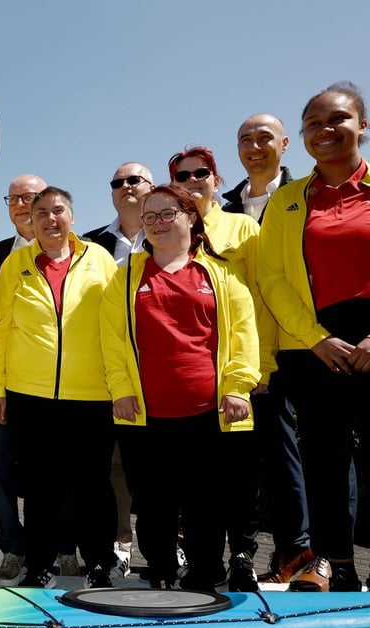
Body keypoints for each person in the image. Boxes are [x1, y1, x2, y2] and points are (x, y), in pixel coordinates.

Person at [101, 185, 259, 591]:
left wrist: (238, 386)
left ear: (190, 217)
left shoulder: (221, 273)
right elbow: (112, 339)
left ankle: (206, 576)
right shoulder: (125, 277)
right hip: (146, 416)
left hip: (209, 413)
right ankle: (161, 574)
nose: (157, 223)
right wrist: (121, 388)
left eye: (167, 213)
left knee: (206, 504)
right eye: (149, 217)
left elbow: (244, 334)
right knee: (154, 505)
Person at [258, 81, 370, 592]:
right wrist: (316, 338)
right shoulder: (286, 200)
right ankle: (335, 563)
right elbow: (272, 278)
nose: (324, 130)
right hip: (315, 344)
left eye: (337, 119)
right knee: (325, 459)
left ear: (361, 126)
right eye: (313, 124)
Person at [0, 187, 119, 588]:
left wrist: (121, 385)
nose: (50, 218)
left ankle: (99, 562)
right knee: (40, 488)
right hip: (30, 395)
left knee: (92, 486)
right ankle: (39, 565)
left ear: (72, 217)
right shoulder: (16, 264)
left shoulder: (99, 258)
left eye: (57, 210)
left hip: (91, 394)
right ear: (32, 221)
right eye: (40, 212)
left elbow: (116, 326)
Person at [169, 146, 269, 591]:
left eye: (201, 172)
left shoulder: (242, 226)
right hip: (190, 379)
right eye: (182, 175)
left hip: (241, 373)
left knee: (241, 477)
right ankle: (204, 563)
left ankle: (243, 556)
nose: (193, 180)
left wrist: (260, 368)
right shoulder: (171, 233)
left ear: (216, 177)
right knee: (196, 482)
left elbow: (260, 296)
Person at [224, 114, 317, 585]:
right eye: (246, 139)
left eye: (265, 138)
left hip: (303, 344)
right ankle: (255, 553)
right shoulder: (221, 209)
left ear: (284, 144)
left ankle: (301, 553)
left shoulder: (305, 197)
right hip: (243, 352)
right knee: (249, 461)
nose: (255, 146)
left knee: (303, 454)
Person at [82, 162, 156, 578]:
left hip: (160, 365)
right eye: (117, 182)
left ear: (152, 187)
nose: (125, 187)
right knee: (113, 464)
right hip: (108, 370)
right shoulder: (91, 244)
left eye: (134, 180)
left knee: (161, 463)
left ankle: (169, 543)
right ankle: (121, 542)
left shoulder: (170, 234)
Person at [0, 174, 46, 583]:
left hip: (54, 383)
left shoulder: (72, 251)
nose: (22, 205)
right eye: (14, 199)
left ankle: (58, 547)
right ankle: (11, 546)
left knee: (50, 469)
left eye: (31, 197)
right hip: (2, 381)